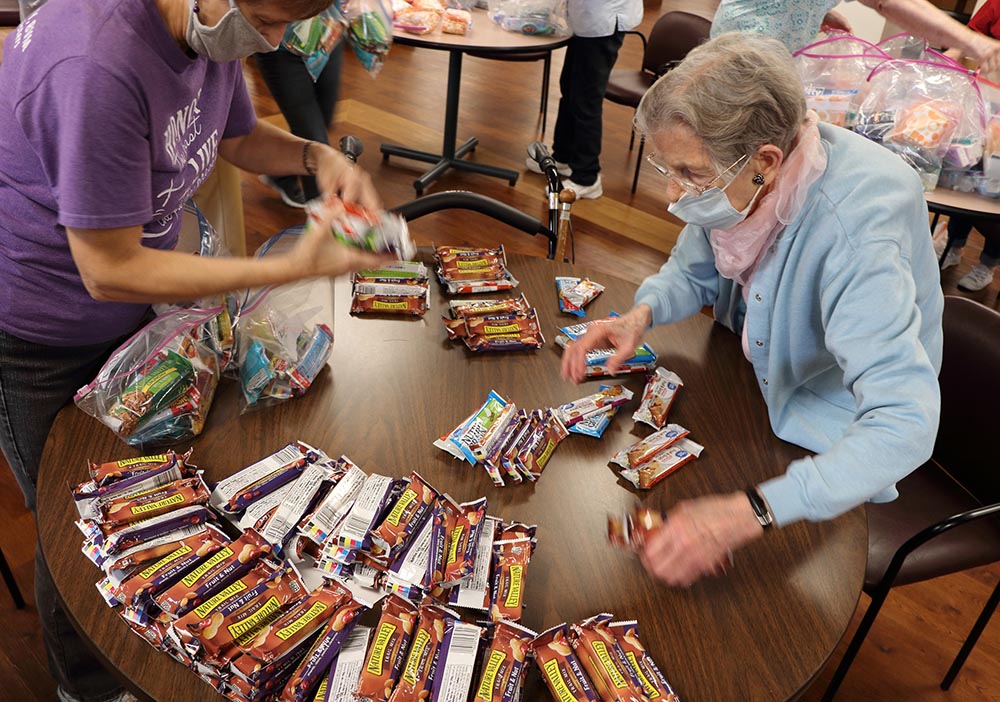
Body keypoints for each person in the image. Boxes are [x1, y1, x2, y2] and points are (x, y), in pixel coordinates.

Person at [0, 0, 388, 699]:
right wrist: (283, 270)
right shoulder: (94, 62)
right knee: (75, 529)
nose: (275, 41)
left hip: (133, 313)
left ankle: (142, 638)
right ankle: (84, 688)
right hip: (37, 333)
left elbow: (234, 136)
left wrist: (314, 153)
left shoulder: (204, 29)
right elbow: (108, 267)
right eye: (269, 19)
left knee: (143, 504)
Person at [561, 33, 943, 588]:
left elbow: (905, 423)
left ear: (765, 160)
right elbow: (692, 269)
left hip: (826, 430)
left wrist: (753, 512)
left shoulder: (856, 231)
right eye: (666, 170)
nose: (674, 195)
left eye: (689, 174)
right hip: (750, 383)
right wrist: (641, 314)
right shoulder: (750, 171)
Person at [523, 0, 643, 200]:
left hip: (602, 23)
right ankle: (563, 157)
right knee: (569, 89)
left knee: (586, 101)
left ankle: (587, 178)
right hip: (587, 21)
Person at [711, 0, 1000, 73]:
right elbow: (892, 3)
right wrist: (972, 41)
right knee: (751, 169)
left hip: (753, 51)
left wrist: (818, 9)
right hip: (748, 59)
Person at [255, 17, 346, 207]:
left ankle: (280, 174)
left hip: (328, 31)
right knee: (313, 135)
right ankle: (324, 217)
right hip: (282, 47)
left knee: (323, 120)